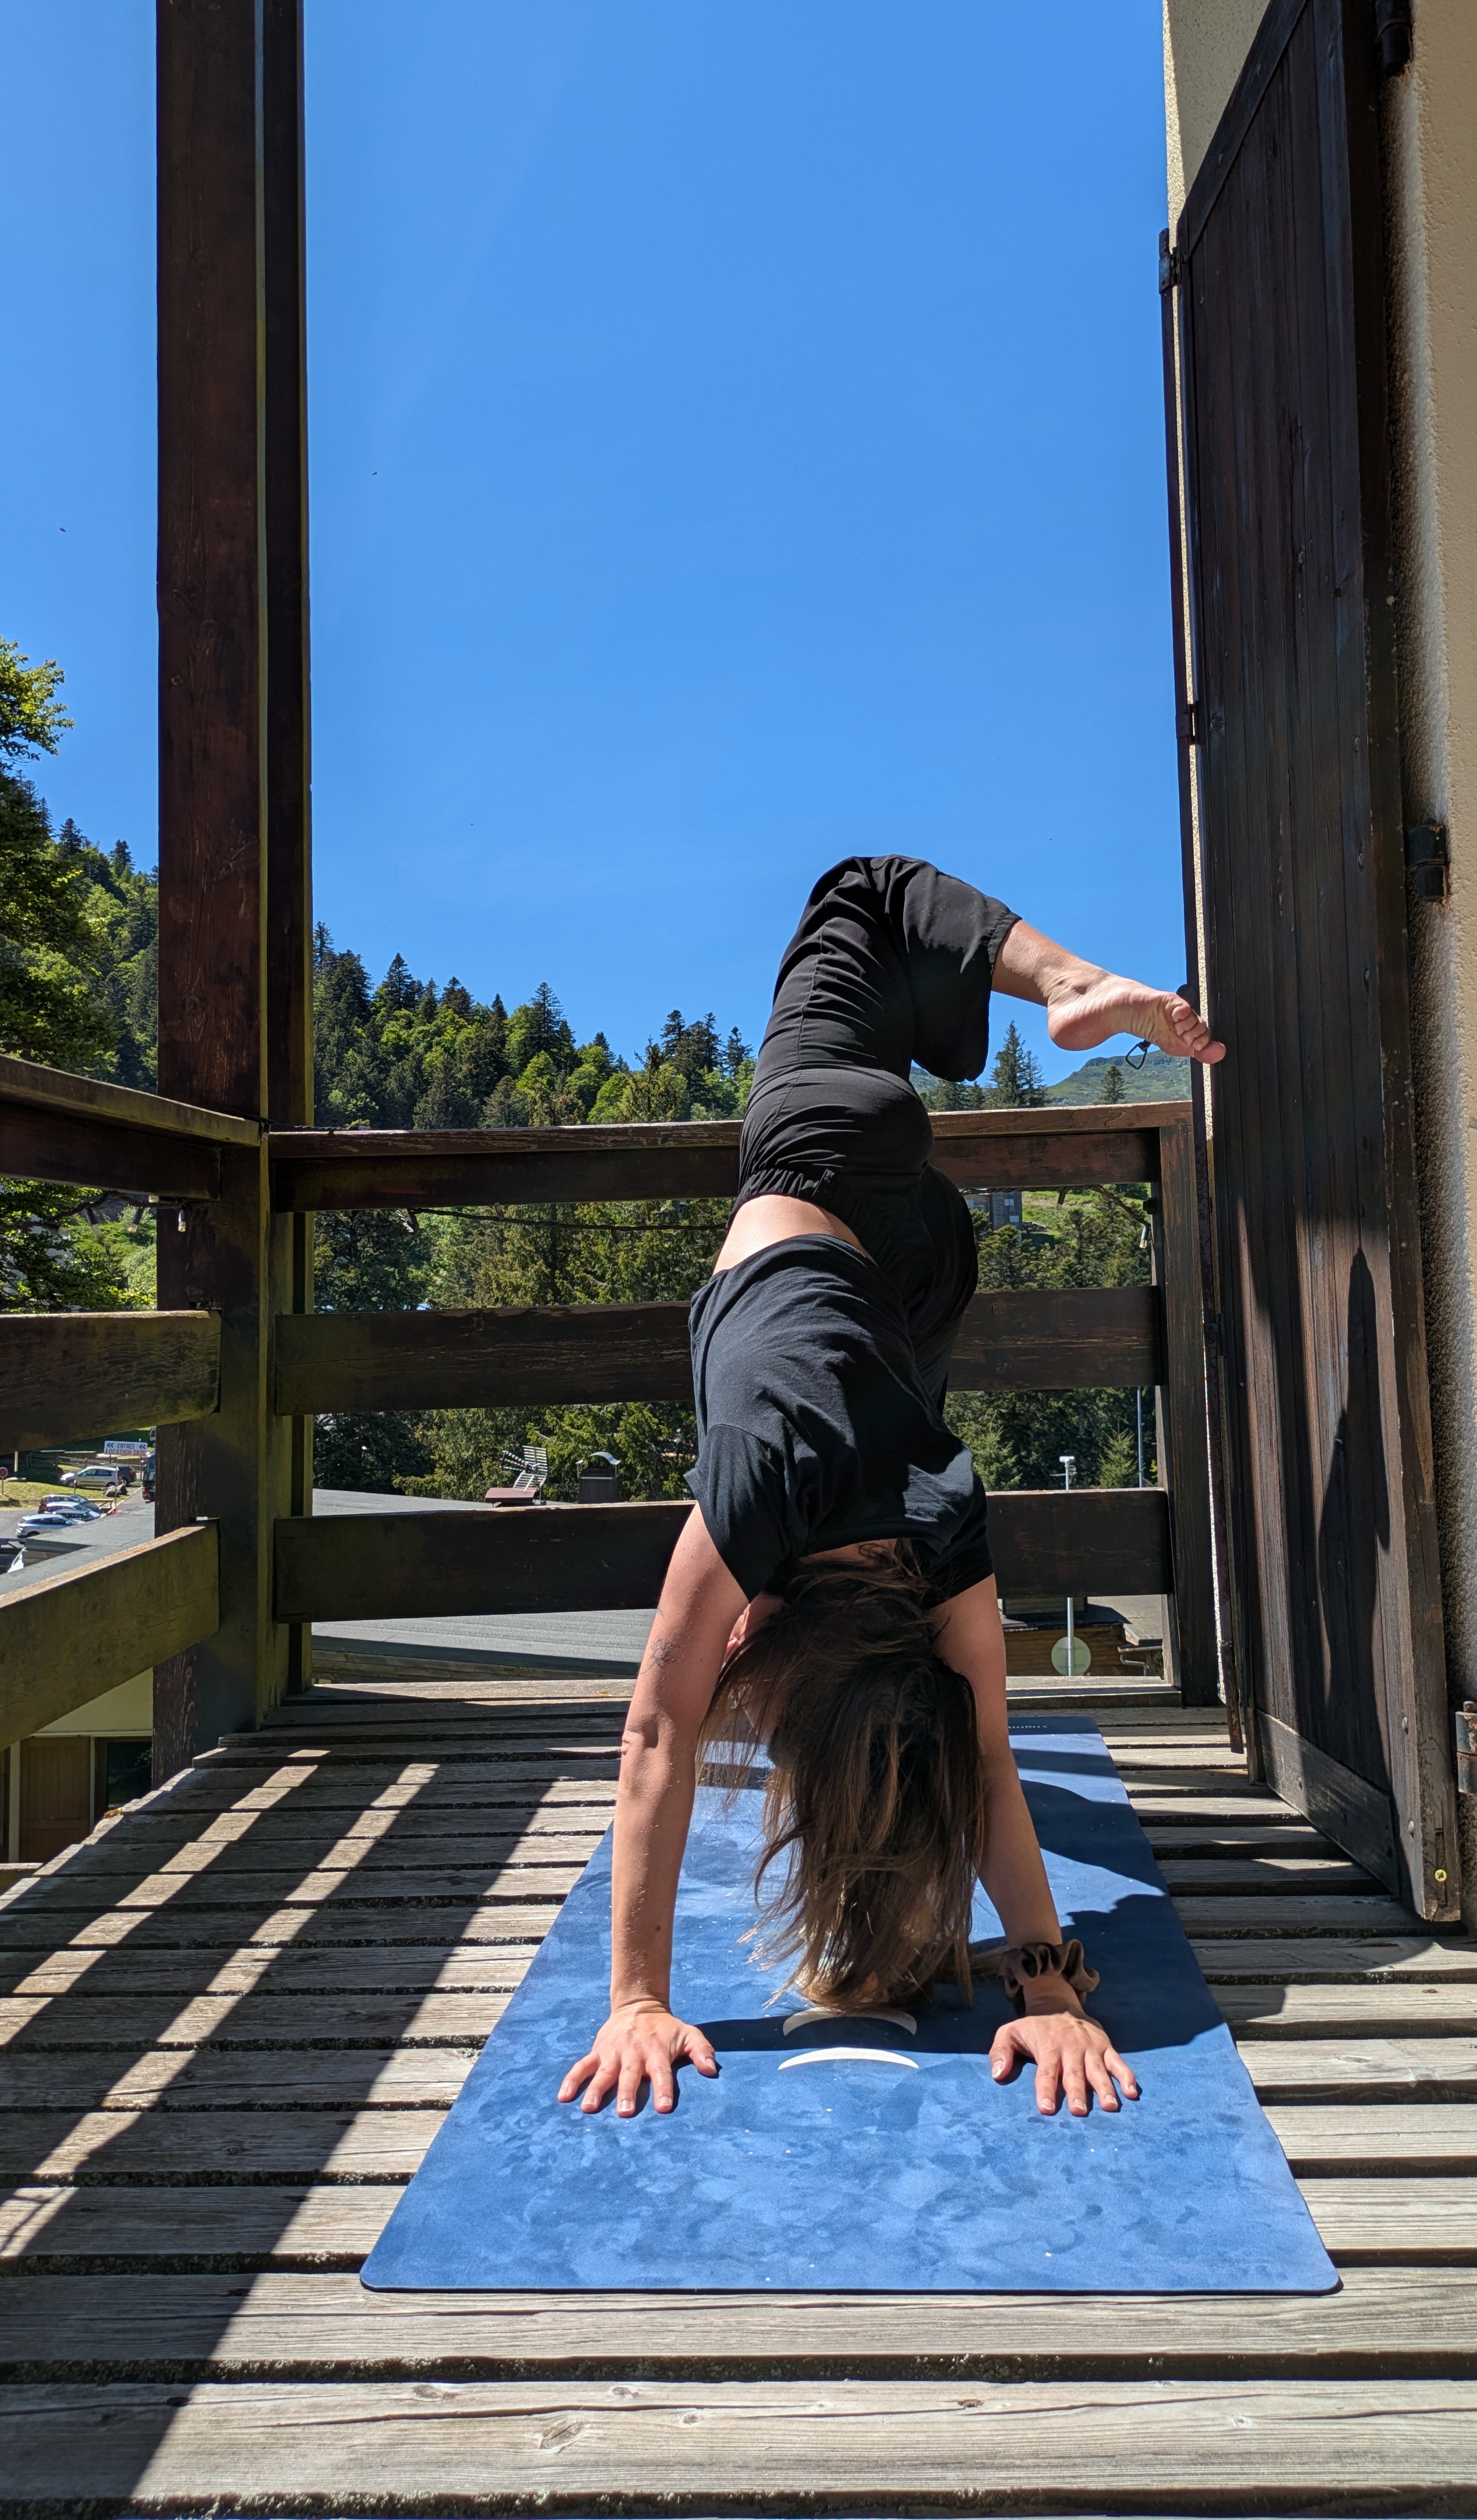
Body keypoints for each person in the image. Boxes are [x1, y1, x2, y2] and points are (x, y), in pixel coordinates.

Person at [558, 859, 1224, 2124]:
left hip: (915, 1298)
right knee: (859, 898)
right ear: (767, 1628)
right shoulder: (758, 1487)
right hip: (822, 1167)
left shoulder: (940, 1513)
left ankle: (891, 1910)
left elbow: (983, 1749)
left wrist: (1047, 1975)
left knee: (921, 1742)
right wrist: (635, 1996)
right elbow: (657, 1732)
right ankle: (1071, 984)